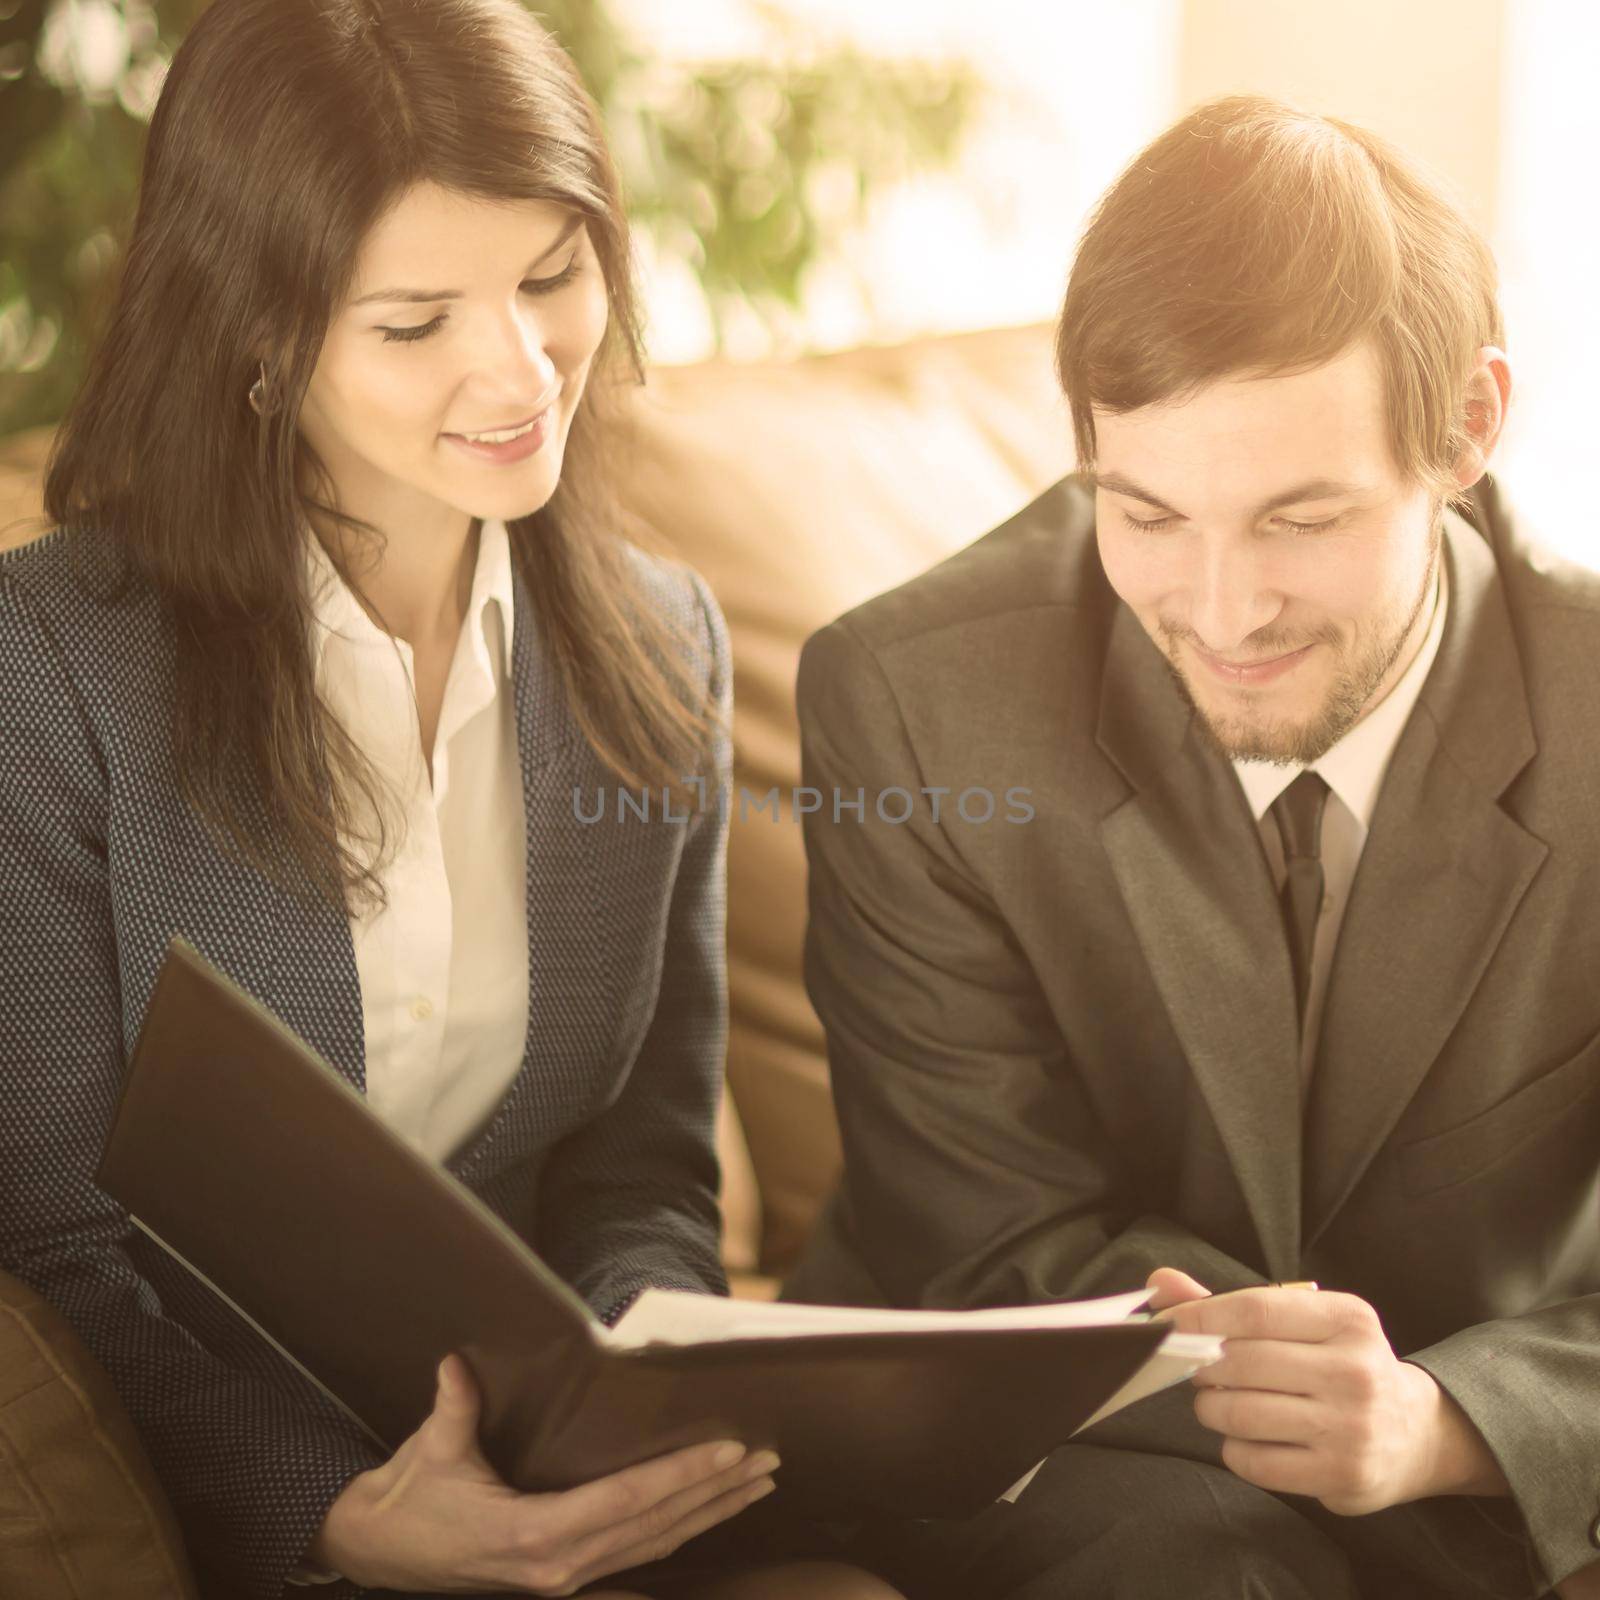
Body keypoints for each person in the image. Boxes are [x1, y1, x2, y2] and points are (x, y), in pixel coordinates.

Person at [0, 3, 902, 1597]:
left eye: (554, 277)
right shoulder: (54, 671)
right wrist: (339, 1514)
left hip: (563, 1497)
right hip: (244, 1512)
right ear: (262, 339)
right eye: (416, 323)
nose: (521, 368)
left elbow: (642, 1173)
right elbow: (55, 1249)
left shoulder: (661, 645)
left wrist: (641, 1416)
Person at [790, 95, 1600, 1599]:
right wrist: (1310, 1406)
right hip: (1067, 1438)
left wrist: (1447, 1423)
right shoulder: (910, 705)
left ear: (1470, 428)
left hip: (1466, 1432)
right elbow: (983, 1243)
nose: (1221, 617)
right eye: (1147, 516)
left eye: (1300, 520)